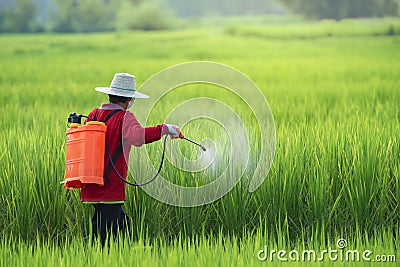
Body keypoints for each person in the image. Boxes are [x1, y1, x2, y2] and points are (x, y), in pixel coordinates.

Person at [80, 73, 181, 247]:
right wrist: (165, 128)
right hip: (110, 187)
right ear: (128, 99)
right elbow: (138, 137)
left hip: (90, 185)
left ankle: (121, 254)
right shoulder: (124, 117)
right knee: (105, 238)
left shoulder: (93, 115)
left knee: (122, 226)